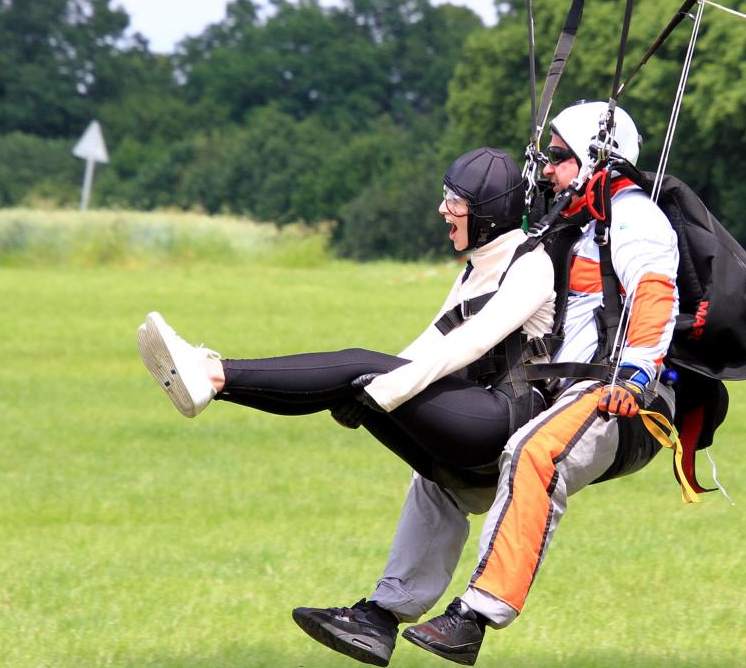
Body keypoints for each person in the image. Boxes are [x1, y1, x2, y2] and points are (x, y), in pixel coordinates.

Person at [297, 101, 681, 667]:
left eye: (559, 157)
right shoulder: (575, 225)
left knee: (534, 452)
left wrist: (637, 371)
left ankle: (474, 617)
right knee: (444, 471)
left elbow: (654, 291)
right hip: (563, 393)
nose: (547, 168)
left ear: (597, 160)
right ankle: (380, 617)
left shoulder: (633, 217)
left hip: (623, 395)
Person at [137, 146, 556, 496]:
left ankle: (212, 374)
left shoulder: (531, 265)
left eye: (454, 201)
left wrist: (387, 387)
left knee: (361, 364)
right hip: (469, 421)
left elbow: (471, 343)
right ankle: (213, 388)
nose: (442, 209)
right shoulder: (474, 270)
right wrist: (362, 392)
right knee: (351, 379)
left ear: (485, 213)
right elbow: (431, 341)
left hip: (505, 421)